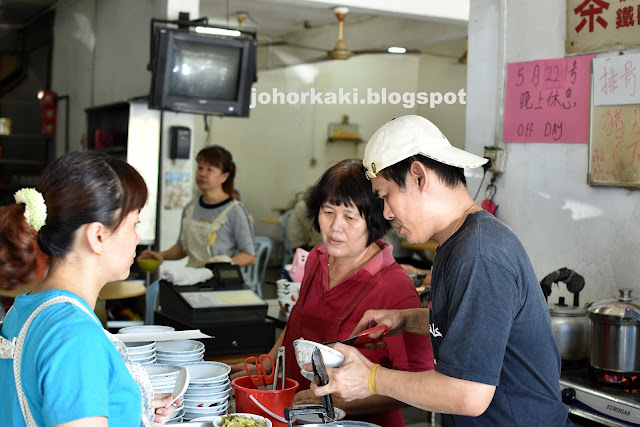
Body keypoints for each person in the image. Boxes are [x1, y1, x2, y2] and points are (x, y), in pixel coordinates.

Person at [311, 115, 570, 426]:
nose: (387, 213)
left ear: (419, 176)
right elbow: (469, 324)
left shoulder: (479, 255)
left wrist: (371, 378)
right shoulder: (458, 242)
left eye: (385, 196)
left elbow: (468, 395)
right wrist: (405, 319)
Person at [231, 159, 433, 427]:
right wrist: (270, 362)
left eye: (350, 217)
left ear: (373, 220)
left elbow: (418, 386)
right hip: (295, 415)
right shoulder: (317, 257)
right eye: (328, 212)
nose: (336, 227)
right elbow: (297, 325)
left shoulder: (395, 287)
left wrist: (333, 402)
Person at [0, 151, 179, 426]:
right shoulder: (76, 335)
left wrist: (130, 410)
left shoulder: (25, 309)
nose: (137, 238)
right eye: (134, 223)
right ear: (97, 236)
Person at [139, 145, 255, 268]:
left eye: (210, 169)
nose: (202, 174)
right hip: (192, 278)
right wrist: (161, 255)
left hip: (221, 282)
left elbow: (249, 256)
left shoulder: (235, 211)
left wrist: (218, 265)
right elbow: (182, 248)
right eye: (200, 168)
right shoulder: (190, 208)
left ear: (224, 176)